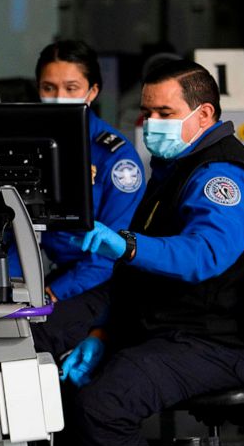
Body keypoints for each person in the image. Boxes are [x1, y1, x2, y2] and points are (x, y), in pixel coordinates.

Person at [38, 59, 244, 446]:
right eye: (146, 113)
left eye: (165, 114)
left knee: (102, 408)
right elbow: (139, 283)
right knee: (58, 378)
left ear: (204, 115)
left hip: (224, 344)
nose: (151, 124)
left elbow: (204, 255)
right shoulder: (174, 167)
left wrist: (128, 245)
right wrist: (101, 334)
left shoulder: (221, 176)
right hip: (172, 329)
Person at [10, 40, 145, 301]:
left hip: (99, 279)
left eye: (71, 88)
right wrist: (12, 286)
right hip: (43, 272)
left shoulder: (116, 157)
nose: (59, 97)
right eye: (49, 87)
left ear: (92, 91)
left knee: (36, 337)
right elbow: (13, 230)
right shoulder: (26, 146)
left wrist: (53, 294)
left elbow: (114, 249)